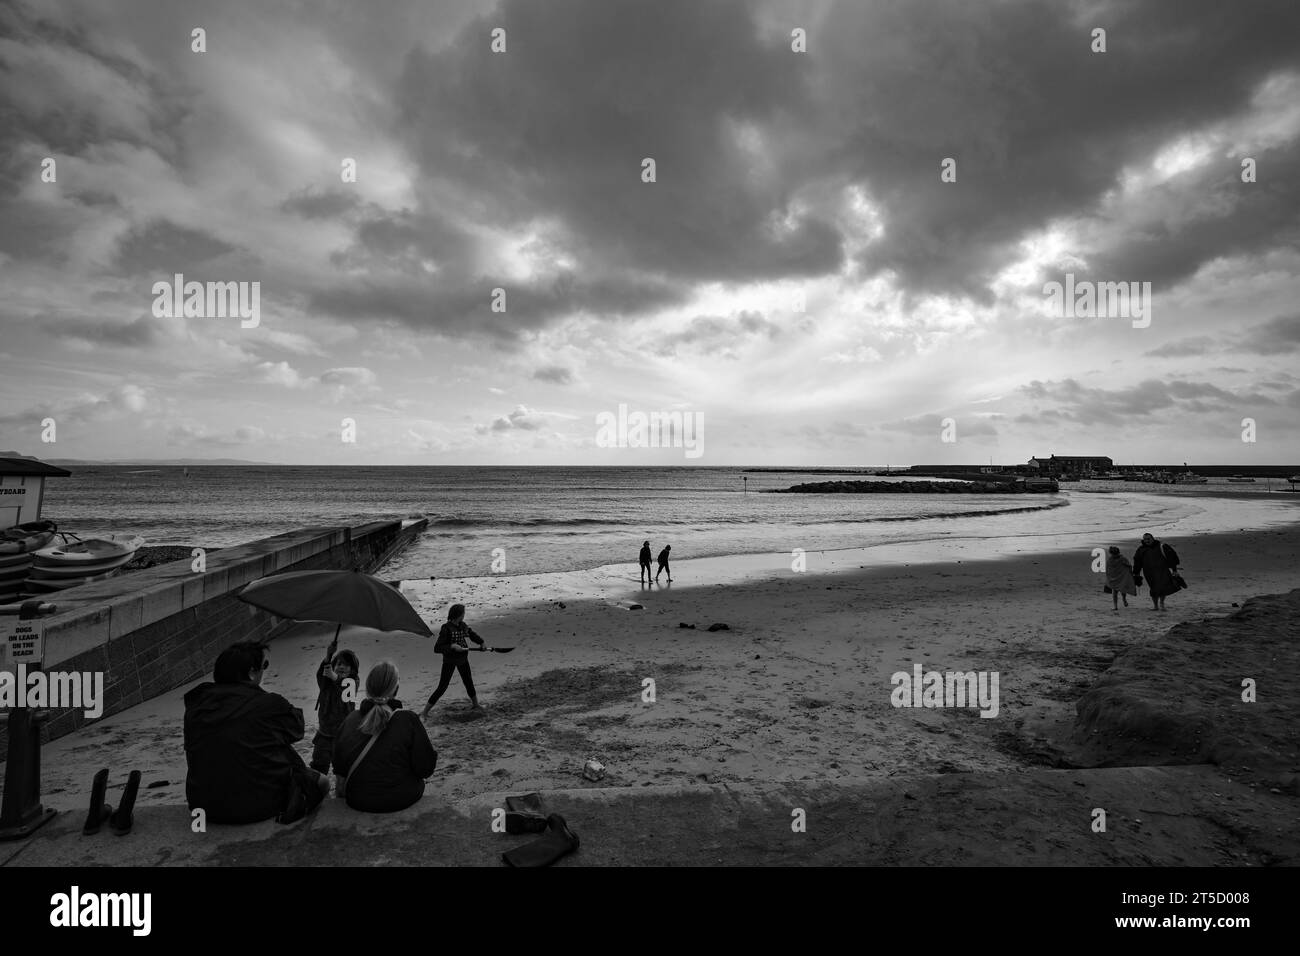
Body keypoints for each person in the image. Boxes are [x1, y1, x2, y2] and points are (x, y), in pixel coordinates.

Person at [183, 640, 329, 824]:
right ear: (252, 672)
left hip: (204, 805)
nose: (263, 671)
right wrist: (257, 693)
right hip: (258, 806)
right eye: (263, 666)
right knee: (322, 782)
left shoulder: (196, 703)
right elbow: (297, 730)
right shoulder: (269, 704)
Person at [334, 661, 437, 813]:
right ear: (396, 689)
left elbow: (340, 769)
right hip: (402, 798)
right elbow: (426, 769)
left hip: (358, 800)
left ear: (368, 688)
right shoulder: (408, 720)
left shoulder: (351, 719)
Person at [420, 603, 488, 717]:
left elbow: (471, 634)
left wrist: (482, 642)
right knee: (442, 687)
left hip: (462, 659)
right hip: (449, 661)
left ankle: (476, 704)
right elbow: (437, 648)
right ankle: (425, 712)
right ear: (459, 615)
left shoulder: (462, 625)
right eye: (463, 614)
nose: (464, 616)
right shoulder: (446, 629)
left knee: (468, 682)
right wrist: (452, 646)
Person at [310, 637, 359, 774]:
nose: (342, 667)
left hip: (344, 735)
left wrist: (335, 677)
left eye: (346, 665)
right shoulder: (326, 682)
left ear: (353, 670)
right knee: (319, 765)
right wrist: (328, 655)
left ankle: (342, 789)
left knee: (343, 768)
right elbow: (321, 675)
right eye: (338, 664)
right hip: (324, 733)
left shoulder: (353, 682)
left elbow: (346, 689)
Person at [1132, 532, 1181, 611]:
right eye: (1145, 539)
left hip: (1163, 571)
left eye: (1148, 539)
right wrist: (1136, 573)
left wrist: (1174, 570)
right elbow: (1137, 562)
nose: (1147, 541)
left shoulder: (1162, 546)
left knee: (1163, 587)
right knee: (1153, 588)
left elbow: (1172, 558)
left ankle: (1161, 603)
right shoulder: (1141, 550)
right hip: (1149, 573)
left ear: (1152, 538)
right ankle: (1155, 606)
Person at [1104, 546, 1137, 610]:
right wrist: (1108, 577)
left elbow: (1129, 566)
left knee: (1123, 590)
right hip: (1114, 578)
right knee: (1114, 592)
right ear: (1111, 553)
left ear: (1118, 552)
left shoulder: (1123, 559)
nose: (1115, 555)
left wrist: (1130, 574)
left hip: (1122, 577)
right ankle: (1115, 606)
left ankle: (1124, 599)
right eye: (1113, 554)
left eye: (1116, 554)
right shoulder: (1110, 559)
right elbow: (1108, 569)